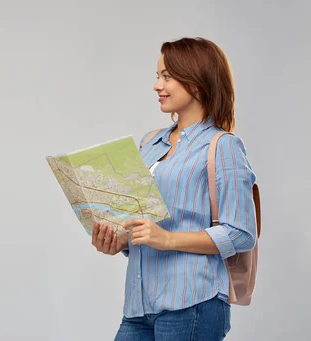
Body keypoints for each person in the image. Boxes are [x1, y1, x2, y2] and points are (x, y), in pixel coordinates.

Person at [91, 37, 257, 340]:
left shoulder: (222, 146)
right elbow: (145, 221)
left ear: (196, 82)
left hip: (192, 303)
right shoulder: (149, 143)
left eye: (167, 76)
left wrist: (166, 239)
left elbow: (241, 232)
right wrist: (119, 240)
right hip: (139, 306)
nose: (157, 85)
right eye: (157, 76)